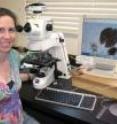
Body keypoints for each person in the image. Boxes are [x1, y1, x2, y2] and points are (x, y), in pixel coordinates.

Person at [0, 7, 40, 124]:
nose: (7, 36)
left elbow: (9, 81)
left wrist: (30, 76)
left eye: (11, 30)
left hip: (20, 117)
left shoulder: (14, 56)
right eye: (0, 30)